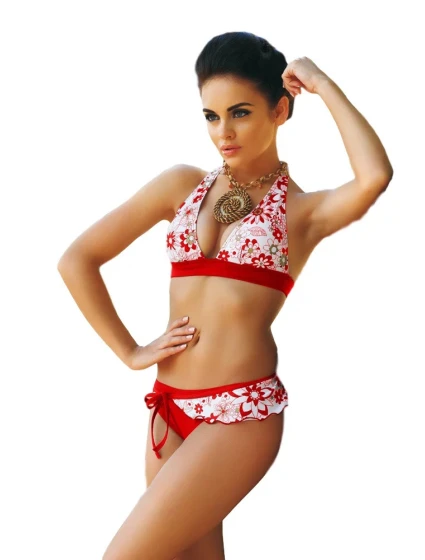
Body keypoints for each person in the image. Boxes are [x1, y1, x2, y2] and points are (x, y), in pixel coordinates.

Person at [58, 31, 393, 560]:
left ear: (280, 110)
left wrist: (322, 83)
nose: (224, 132)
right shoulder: (181, 186)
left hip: (241, 415)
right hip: (169, 410)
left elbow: (374, 176)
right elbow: (77, 259)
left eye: (240, 113)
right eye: (211, 116)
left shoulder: (300, 213)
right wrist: (131, 352)